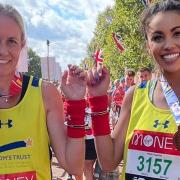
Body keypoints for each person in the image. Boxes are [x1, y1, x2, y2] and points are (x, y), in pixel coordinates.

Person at [84, 0, 180, 179]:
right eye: (158, 37)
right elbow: (108, 162)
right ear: (148, 46)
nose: (168, 44)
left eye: (177, 33)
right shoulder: (135, 95)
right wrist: (97, 100)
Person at [0, 4, 85, 179]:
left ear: (22, 45)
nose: (3, 51)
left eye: (11, 41)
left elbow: (74, 166)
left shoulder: (44, 93)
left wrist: (76, 104)